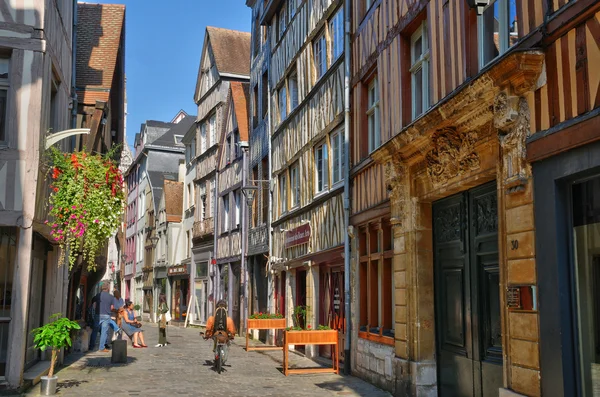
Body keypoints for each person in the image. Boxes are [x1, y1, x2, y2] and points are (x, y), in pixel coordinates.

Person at [97, 283, 121, 352]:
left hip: (97, 314)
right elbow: (112, 307)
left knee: (96, 330)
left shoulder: (98, 295)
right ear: (107, 288)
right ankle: (101, 347)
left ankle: (91, 345)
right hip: (106, 314)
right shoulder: (111, 297)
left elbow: (93, 304)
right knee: (104, 332)